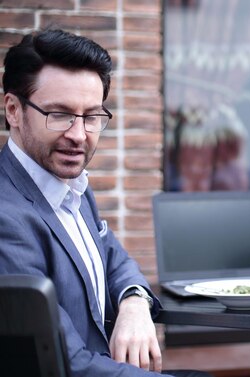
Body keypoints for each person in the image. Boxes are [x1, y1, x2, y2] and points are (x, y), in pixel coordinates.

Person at [0, 29, 211, 377]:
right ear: (13, 110)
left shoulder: (69, 185)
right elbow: (67, 365)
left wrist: (133, 302)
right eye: (60, 114)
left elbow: (114, 256)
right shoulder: (8, 218)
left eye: (92, 116)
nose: (79, 135)